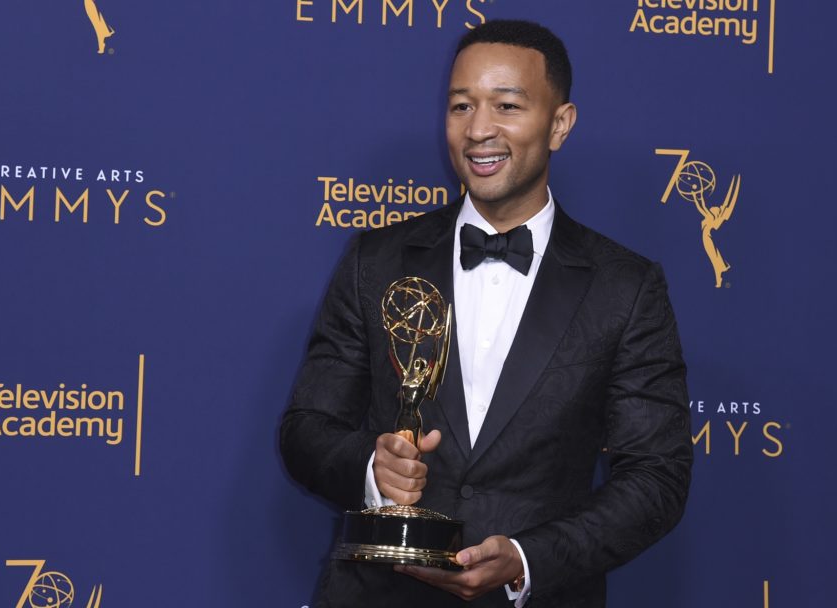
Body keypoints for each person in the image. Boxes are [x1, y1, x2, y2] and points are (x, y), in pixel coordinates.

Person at [280, 19, 692, 608]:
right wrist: (373, 472)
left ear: (560, 124)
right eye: (460, 106)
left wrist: (529, 559)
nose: (478, 131)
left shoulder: (626, 288)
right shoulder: (377, 260)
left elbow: (657, 479)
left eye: (506, 105)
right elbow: (305, 430)